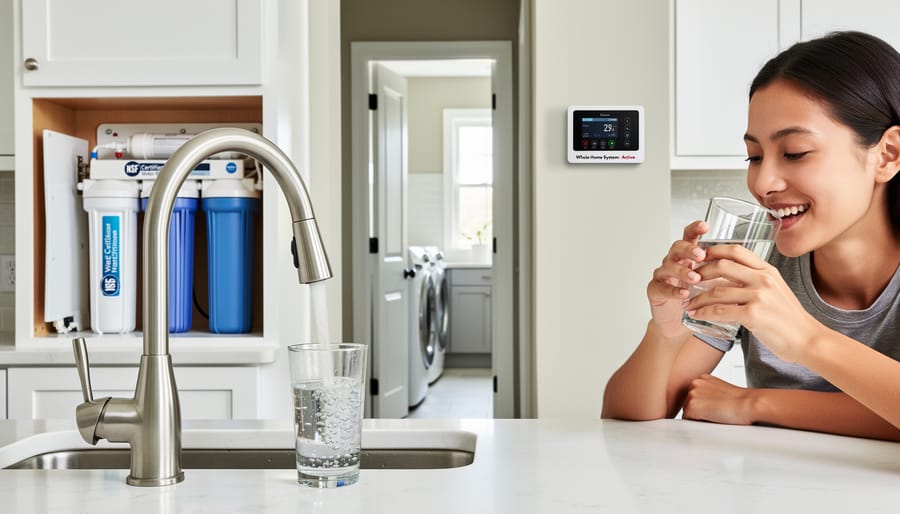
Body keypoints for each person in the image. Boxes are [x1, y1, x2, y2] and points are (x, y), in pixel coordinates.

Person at [602, 30, 900, 441]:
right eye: (754, 156)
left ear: (888, 155)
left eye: (794, 151)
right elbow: (626, 420)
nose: (763, 182)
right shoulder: (751, 258)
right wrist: (665, 332)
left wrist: (757, 401)